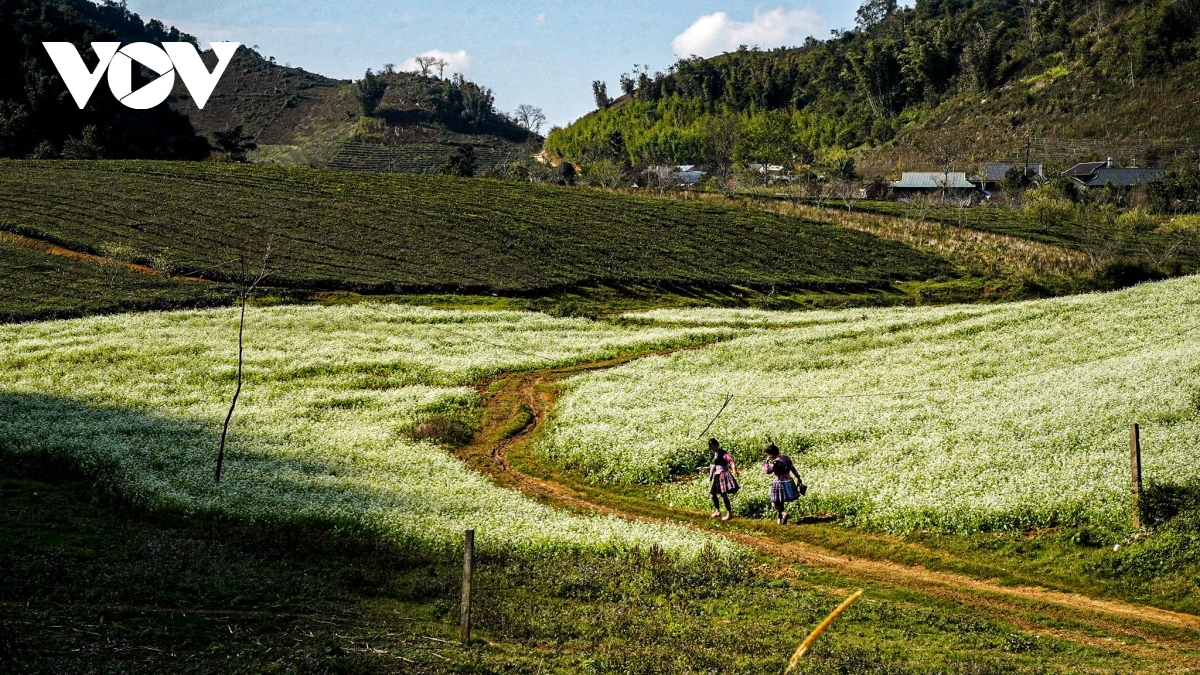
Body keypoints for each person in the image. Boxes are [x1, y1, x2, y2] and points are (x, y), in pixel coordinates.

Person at [763, 443, 805, 525]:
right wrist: (798, 477)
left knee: (774, 502)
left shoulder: (776, 462)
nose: (768, 456)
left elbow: (767, 471)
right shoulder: (786, 458)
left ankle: (783, 513)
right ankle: (780, 520)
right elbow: (792, 468)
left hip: (779, 483)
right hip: (789, 481)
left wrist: (766, 462)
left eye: (769, 455)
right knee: (780, 501)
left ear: (772, 454)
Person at [707, 438, 739, 521]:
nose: (713, 449)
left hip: (722, 475)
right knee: (712, 494)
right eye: (712, 448)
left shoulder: (723, 453)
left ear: (717, 445)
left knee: (723, 495)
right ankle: (717, 511)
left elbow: (731, 461)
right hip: (717, 475)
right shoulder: (716, 454)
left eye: (714, 447)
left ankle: (729, 513)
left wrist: (734, 470)